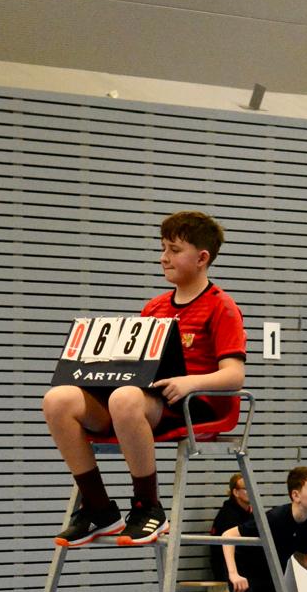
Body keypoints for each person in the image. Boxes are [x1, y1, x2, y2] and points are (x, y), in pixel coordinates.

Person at [42, 210, 247, 547]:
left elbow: (234, 375)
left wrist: (190, 382)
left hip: (192, 405)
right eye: (163, 248)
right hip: (145, 399)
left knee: (125, 399)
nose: (163, 257)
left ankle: (148, 506)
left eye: (174, 250)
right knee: (58, 399)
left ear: (202, 258)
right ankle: (99, 508)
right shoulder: (154, 308)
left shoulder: (221, 307)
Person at [208, 472, 252, 584]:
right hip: (227, 569)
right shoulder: (227, 515)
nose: (251, 492)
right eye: (246, 488)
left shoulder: (250, 513)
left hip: (244, 566)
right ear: (236, 492)